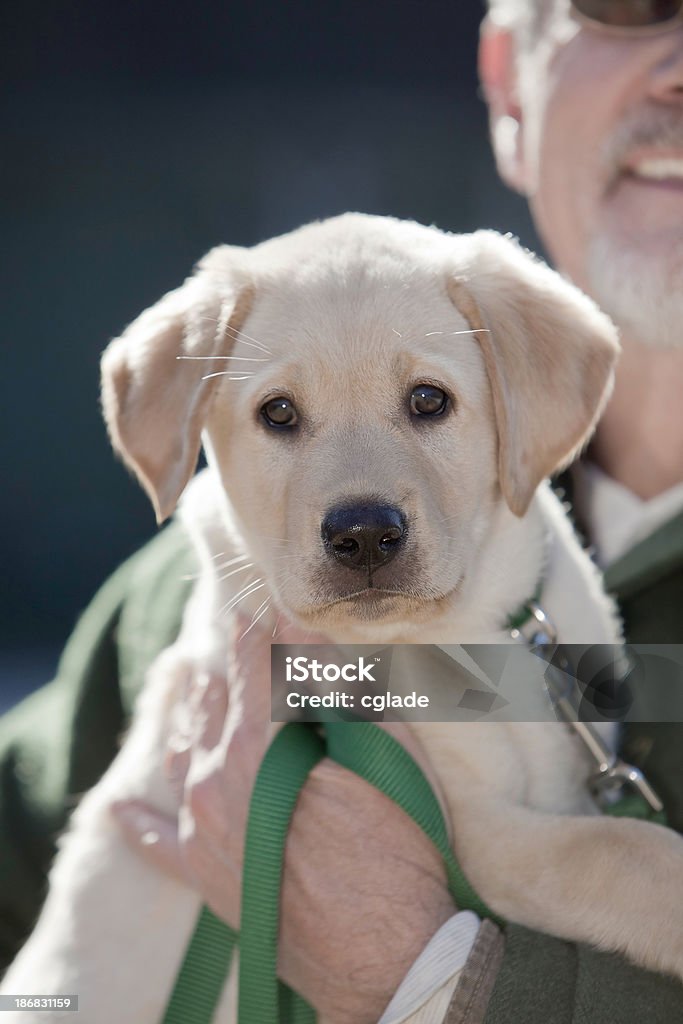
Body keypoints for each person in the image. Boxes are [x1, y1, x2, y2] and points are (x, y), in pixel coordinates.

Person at [1, 0, 682, 1021]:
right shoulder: (194, 598)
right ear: (507, 82)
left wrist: (439, 974)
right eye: (281, 413)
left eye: (424, 404)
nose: (360, 510)